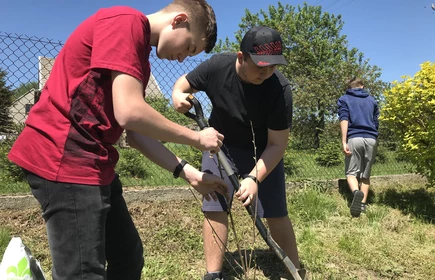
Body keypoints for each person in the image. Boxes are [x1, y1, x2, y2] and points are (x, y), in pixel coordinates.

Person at [8, 1, 230, 279]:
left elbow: (137, 135)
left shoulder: (140, 60)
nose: (183, 58)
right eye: (189, 47)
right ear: (179, 20)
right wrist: (196, 138)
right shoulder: (126, 22)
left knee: (127, 259)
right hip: (64, 157)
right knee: (81, 273)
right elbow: (130, 111)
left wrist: (189, 173)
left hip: (93, 160)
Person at [172, 26, 305, 280]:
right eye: (260, 66)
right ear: (241, 57)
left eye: (273, 66)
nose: (266, 73)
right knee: (215, 206)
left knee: (276, 213)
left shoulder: (280, 89)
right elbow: (183, 84)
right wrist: (177, 95)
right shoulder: (217, 67)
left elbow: (278, 144)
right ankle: (213, 274)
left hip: (264, 152)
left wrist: (254, 178)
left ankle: (295, 271)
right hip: (219, 145)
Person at [337, 77, 379, 218]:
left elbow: (344, 119)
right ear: (362, 86)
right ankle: (362, 205)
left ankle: (356, 193)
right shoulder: (372, 100)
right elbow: (375, 121)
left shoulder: (344, 99)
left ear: (349, 88)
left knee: (351, 173)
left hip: (354, 138)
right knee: (365, 175)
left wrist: (344, 141)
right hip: (371, 138)